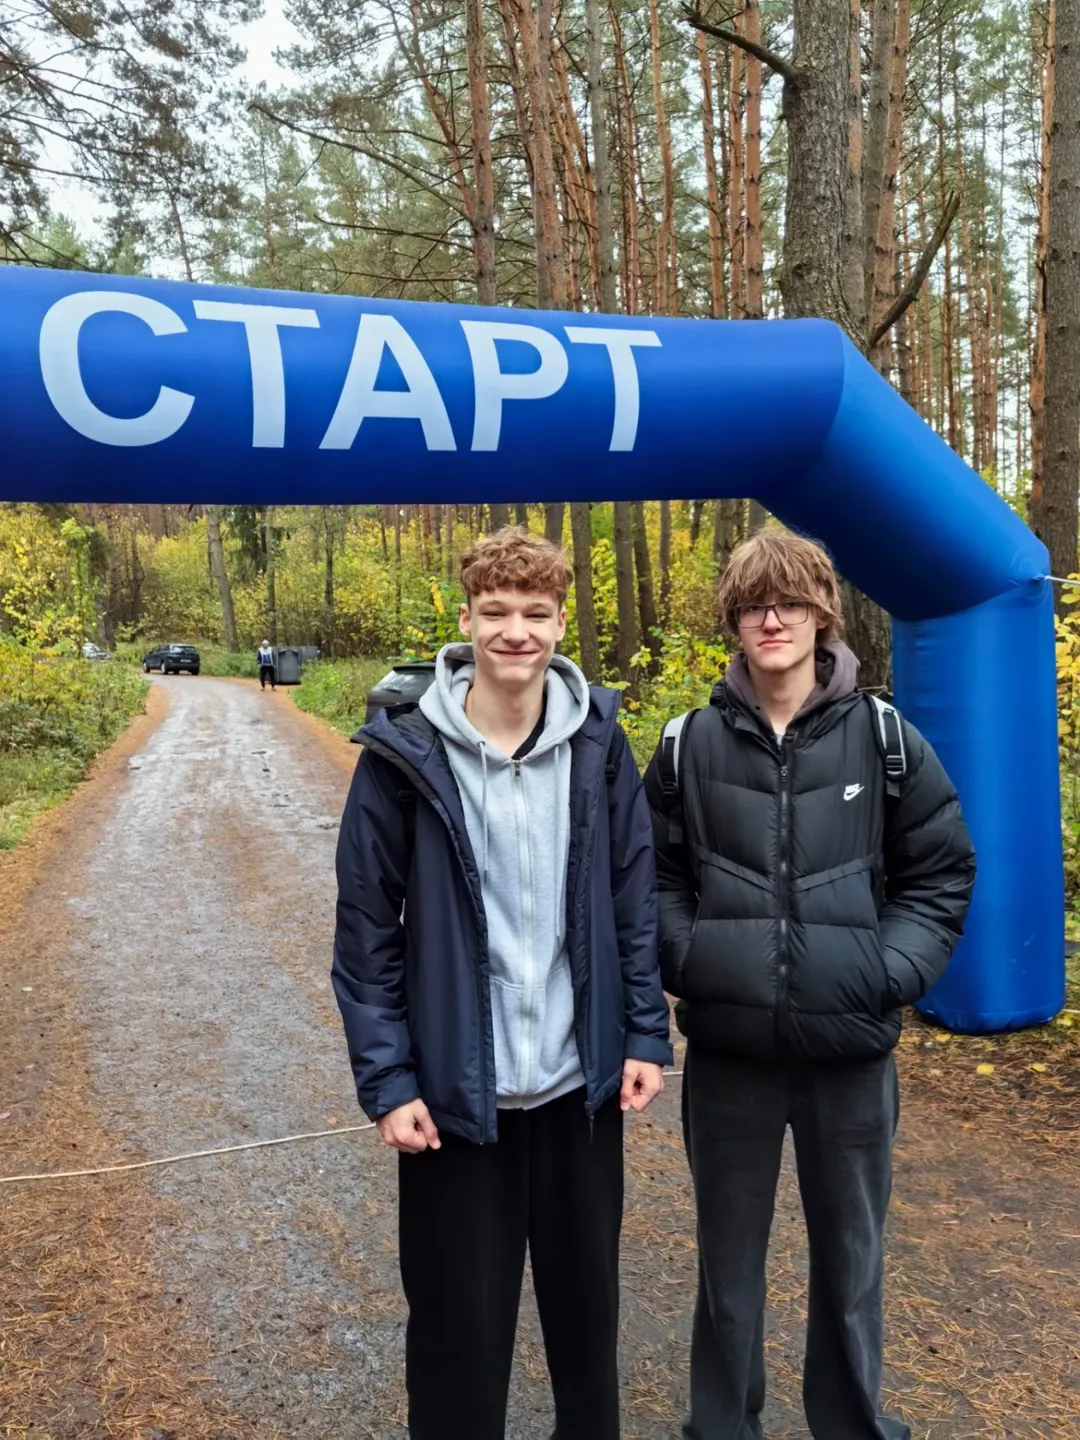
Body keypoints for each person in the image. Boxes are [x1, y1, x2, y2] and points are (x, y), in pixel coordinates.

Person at [332, 527, 672, 1440]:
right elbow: (365, 932)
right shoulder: (403, 755)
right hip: (454, 1102)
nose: (515, 631)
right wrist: (389, 1080)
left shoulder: (601, 745)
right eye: (496, 611)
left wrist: (645, 1034)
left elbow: (633, 900)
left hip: (577, 1092)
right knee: (457, 1339)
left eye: (535, 612)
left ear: (560, 623)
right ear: (465, 620)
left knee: (586, 1331)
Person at [644, 531, 975, 1440]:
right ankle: (722, 1426)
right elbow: (654, 876)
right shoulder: (687, 744)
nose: (772, 620)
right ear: (734, 620)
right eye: (754, 604)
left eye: (789, 601)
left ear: (822, 613)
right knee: (726, 1266)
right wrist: (691, 958)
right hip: (730, 1055)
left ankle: (853, 1424)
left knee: (852, 1262)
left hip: (851, 1056)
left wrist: (887, 972)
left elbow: (940, 874)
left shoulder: (886, 740)